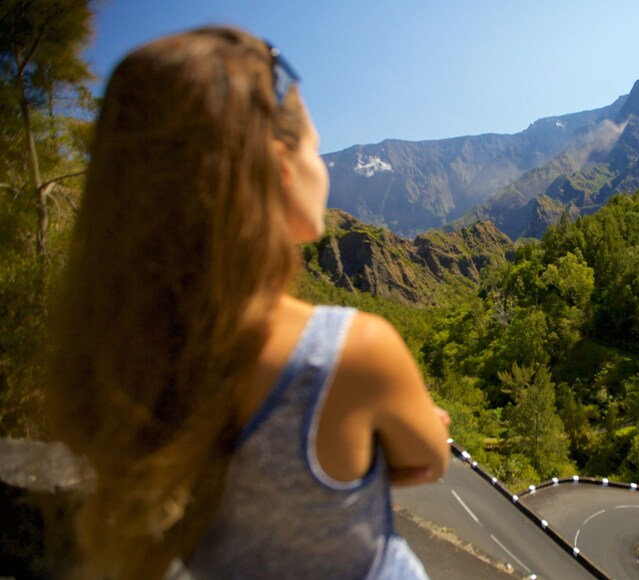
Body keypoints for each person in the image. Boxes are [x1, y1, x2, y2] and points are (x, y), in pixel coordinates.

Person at [45, 26, 450, 579]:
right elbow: (430, 456)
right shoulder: (353, 351)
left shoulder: (116, 361)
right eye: (313, 143)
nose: (323, 163)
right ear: (280, 169)